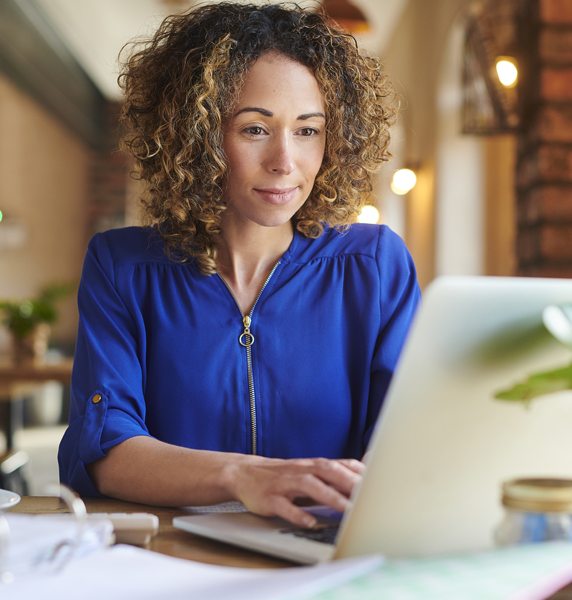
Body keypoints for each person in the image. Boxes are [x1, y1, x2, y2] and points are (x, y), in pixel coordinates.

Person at [58, 2, 421, 528]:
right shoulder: (123, 267)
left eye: (308, 130)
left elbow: (409, 439)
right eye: (255, 129)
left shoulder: (375, 265)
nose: (285, 161)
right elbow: (105, 448)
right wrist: (242, 476)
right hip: (174, 560)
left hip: (323, 556)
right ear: (197, 135)